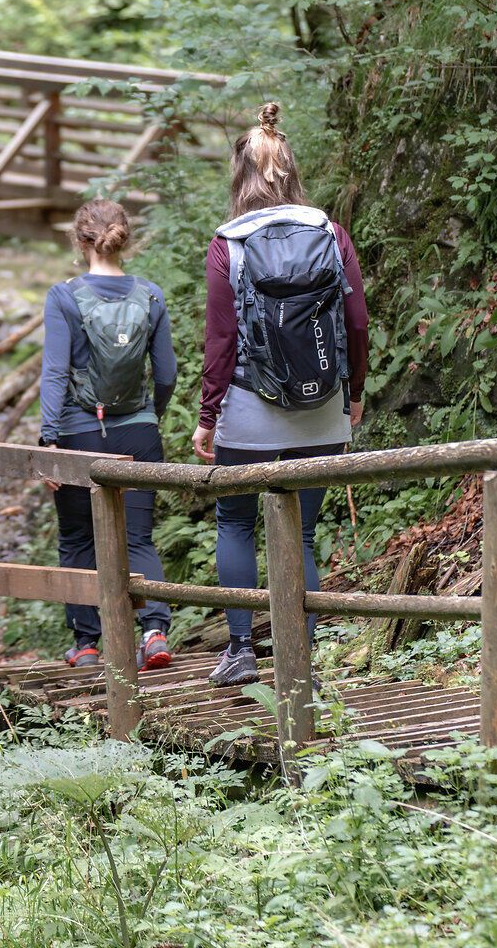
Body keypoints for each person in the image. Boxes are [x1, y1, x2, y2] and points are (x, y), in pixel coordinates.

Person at [192, 103, 368, 687]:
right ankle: (302, 661)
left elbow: (221, 338)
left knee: (236, 524)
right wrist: (355, 394)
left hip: (248, 407)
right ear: (292, 170)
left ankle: (240, 651)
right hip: (322, 409)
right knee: (304, 532)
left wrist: (207, 415)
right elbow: (357, 322)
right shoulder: (330, 233)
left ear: (240, 176)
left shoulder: (228, 243)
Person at [39, 199, 178, 671]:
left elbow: (55, 374)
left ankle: (86, 644)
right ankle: (155, 632)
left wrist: (49, 441)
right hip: (139, 432)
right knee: (138, 538)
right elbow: (166, 374)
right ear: (125, 238)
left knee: (79, 539)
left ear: (80, 241)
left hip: (80, 433)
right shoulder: (152, 295)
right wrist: (147, 417)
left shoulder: (63, 297)